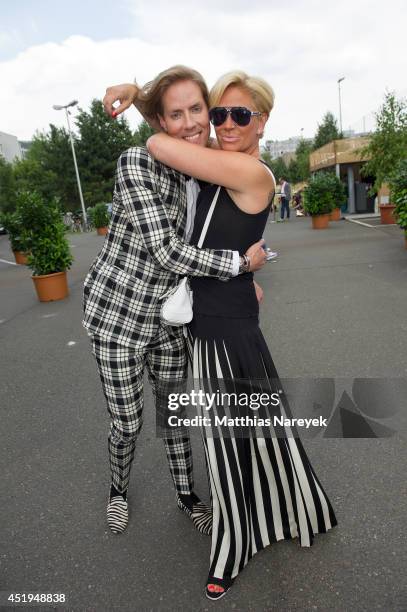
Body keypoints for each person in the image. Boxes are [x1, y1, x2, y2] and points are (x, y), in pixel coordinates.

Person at [144, 70, 338, 600]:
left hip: (224, 334)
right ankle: (297, 507)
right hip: (224, 321)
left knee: (224, 443)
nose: (224, 124)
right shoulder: (221, 164)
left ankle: (232, 548)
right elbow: (179, 133)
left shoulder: (252, 174)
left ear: (262, 123)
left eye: (239, 115)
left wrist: (139, 102)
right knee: (260, 429)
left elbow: (160, 139)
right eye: (219, 112)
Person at [84, 66, 267, 536]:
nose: (189, 122)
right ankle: (117, 489)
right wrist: (240, 267)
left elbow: (239, 166)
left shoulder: (204, 161)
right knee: (127, 422)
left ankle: (187, 495)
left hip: (170, 320)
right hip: (118, 318)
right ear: (160, 122)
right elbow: (166, 250)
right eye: (175, 114)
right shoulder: (136, 162)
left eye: (196, 109)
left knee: (173, 411)